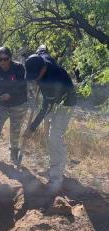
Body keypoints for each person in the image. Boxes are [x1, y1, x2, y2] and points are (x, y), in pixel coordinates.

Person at [24, 53, 76, 194]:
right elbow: (44, 53)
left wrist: (32, 128)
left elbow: (45, 108)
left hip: (66, 104)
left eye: (36, 75)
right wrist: (41, 50)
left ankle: (56, 179)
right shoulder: (42, 59)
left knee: (54, 137)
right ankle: (54, 167)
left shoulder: (53, 79)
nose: (35, 78)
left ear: (43, 69)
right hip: (54, 101)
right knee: (49, 137)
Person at [0, 47, 28, 164]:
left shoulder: (18, 68)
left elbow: (22, 85)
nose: (2, 62)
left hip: (18, 104)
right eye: (0, 59)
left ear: (10, 58)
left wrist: (11, 94)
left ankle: (14, 153)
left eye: (5, 59)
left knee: (15, 130)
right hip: (2, 103)